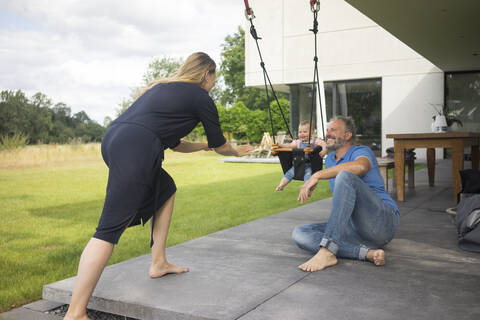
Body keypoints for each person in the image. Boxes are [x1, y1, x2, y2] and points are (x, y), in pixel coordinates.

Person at [64, 52, 254, 320]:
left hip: (116, 139)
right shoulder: (201, 97)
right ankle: (75, 313)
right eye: (214, 78)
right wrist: (237, 151)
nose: (214, 84)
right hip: (137, 147)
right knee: (107, 229)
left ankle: (159, 262)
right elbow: (220, 144)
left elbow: (176, 144)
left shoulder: (165, 90)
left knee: (165, 188)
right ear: (206, 74)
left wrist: (203, 146)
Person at [293, 115, 399, 272]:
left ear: (348, 135)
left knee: (344, 175)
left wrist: (317, 175)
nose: (328, 133)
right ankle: (366, 253)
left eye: (333, 130)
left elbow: (360, 167)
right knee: (300, 233)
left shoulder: (362, 151)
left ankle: (327, 251)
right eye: (327, 130)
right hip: (355, 230)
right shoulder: (330, 160)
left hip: (382, 222)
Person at [275, 121, 327, 191]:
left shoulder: (316, 141)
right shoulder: (298, 142)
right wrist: (280, 145)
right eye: (300, 132)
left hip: (310, 165)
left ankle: (307, 188)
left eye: (305, 132)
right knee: (289, 173)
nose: (302, 134)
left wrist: (324, 150)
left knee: (308, 176)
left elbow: (323, 143)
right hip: (298, 164)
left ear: (312, 133)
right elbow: (289, 146)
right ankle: (281, 185)